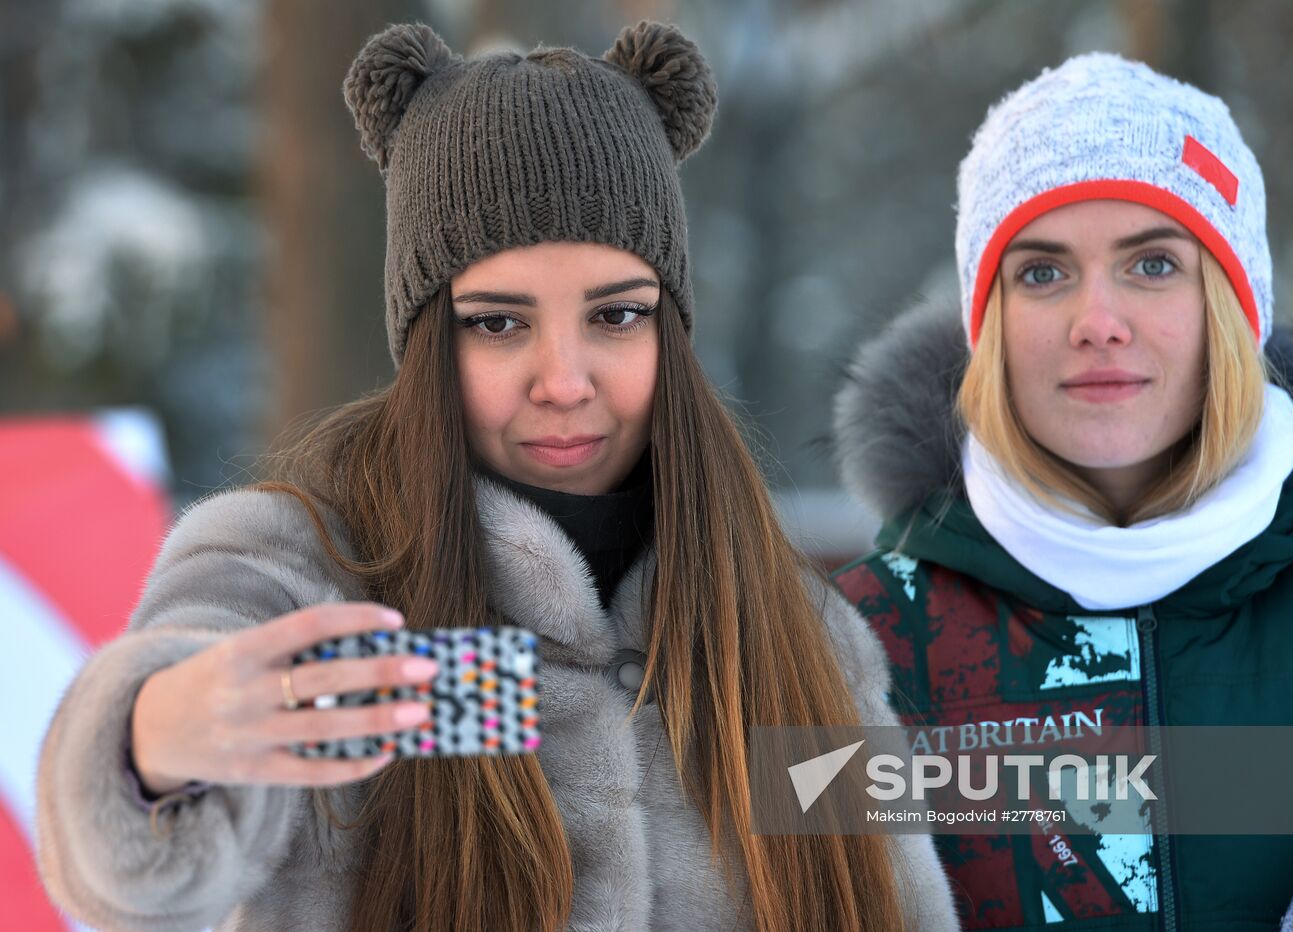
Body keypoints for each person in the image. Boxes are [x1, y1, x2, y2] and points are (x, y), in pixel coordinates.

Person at [34, 21, 958, 932]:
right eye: (498, 324)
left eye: (615, 317)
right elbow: (124, 862)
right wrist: (154, 739)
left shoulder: (785, 629)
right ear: (427, 343)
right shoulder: (299, 570)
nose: (564, 381)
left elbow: (889, 908)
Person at [830, 53, 1293, 930]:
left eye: (1153, 264)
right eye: (1043, 272)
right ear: (990, 325)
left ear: (1230, 306)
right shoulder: (852, 649)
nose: (1098, 322)